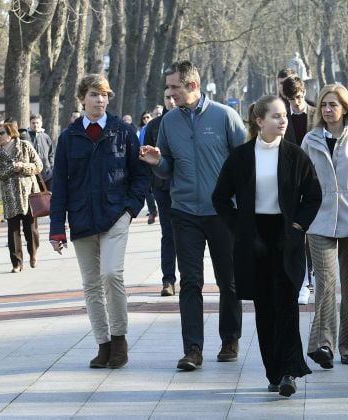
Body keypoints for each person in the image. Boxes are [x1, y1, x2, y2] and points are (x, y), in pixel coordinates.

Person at [139, 60, 246, 369]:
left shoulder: (225, 116)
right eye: (168, 87)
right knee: (190, 282)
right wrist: (157, 162)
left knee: (229, 280)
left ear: (192, 86)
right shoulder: (168, 122)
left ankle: (230, 339)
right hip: (184, 211)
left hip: (222, 212)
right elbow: (168, 168)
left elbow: (244, 162)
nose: (168, 92)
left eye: (174, 87)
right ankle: (193, 350)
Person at [212, 95, 322, 397]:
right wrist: (241, 230)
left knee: (287, 304)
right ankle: (273, 371)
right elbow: (220, 198)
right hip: (254, 238)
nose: (282, 120)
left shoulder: (296, 155)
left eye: (284, 115)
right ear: (259, 121)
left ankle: (289, 372)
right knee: (265, 308)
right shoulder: (241, 157)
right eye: (275, 116)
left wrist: (299, 227)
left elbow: (313, 196)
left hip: (287, 237)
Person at [49, 74, 149, 369]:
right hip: (81, 219)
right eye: (95, 94)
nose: (101, 100)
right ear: (83, 98)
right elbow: (61, 188)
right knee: (91, 284)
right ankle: (103, 344)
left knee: (110, 274)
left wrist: (131, 209)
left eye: (105, 94)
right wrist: (56, 229)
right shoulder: (68, 137)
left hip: (116, 214)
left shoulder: (123, 131)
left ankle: (119, 339)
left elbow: (140, 174)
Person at [301, 84, 348, 369]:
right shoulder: (311, 139)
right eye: (325, 105)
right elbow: (302, 179)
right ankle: (321, 344)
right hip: (320, 220)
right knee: (326, 282)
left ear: (345, 107)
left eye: (334, 104)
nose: (328, 110)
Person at [281, 75, 317, 304]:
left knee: (315, 231)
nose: (297, 102)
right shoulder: (283, 118)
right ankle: (303, 279)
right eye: (292, 98)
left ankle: (312, 273)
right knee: (298, 230)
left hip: (317, 180)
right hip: (293, 182)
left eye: (300, 96)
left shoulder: (317, 114)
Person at [143, 88, 177, 297]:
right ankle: (168, 280)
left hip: (186, 188)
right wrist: (149, 195)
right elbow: (146, 158)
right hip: (162, 189)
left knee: (189, 235)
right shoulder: (153, 126)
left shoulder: (187, 123)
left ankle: (192, 278)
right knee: (168, 234)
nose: (171, 101)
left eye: (174, 97)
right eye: (167, 98)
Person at [0, 121, 42, 272]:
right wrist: (11, 169)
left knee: (31, 229)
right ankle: (16, 263)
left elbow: (38, 166)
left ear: (10, 133)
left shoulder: (24, 145)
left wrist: (23, 167)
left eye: (2, 133)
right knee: (13, 231)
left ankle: (33, 253)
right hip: (10, 197)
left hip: (28, 194)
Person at [137, 111, 157, 224]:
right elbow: (140, 144)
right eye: (143, 117)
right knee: (147, 188)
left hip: (157, 159)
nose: (145, 119)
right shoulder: (143, 130)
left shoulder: (155, 126)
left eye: (147, 117)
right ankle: (152, 210)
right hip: (145, 161)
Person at [28, 114, 54, 191]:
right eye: (33, 123)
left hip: (47, 174)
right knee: (35, 199)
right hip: (32, 175)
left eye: (37, 123)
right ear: (30, 123)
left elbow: (51, 153)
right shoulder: (26, 137)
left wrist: (51, 166)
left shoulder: (46, 137)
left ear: (41, 123)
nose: (35, 125)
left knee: (49, 197)